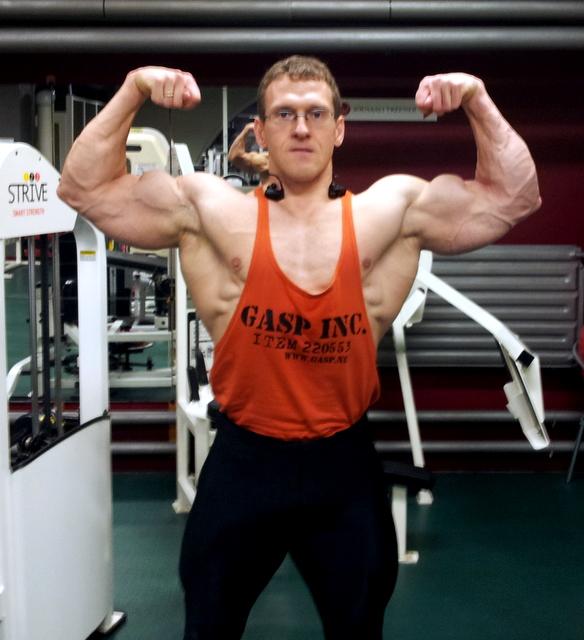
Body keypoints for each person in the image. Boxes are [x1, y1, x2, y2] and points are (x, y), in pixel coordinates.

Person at [57, 55, 541, 640]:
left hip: (343, 468)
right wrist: (133, 88)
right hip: (245, 464)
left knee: (357, 628)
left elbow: (515, 197)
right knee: (209, 628)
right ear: (260, 132)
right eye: (285, 114)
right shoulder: (211, 210)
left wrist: (476, 96)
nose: (302, 127)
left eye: (316, 113)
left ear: (340, 128)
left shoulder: (392, 211)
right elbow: (83, 187)